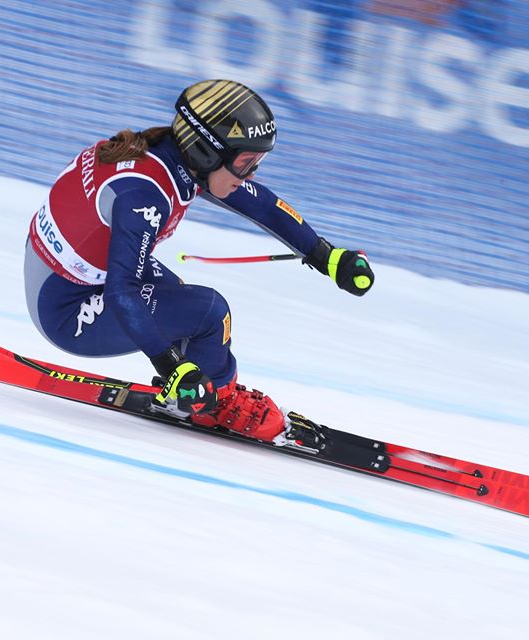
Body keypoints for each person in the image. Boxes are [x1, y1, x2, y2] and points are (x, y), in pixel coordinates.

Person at [24, 79, 374, 450]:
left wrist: (326, 255)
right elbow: (122, 290)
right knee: (209, 312)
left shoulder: (172, 157)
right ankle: (213, 404)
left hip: (66, 276)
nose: (252, 173)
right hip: (66, 310)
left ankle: (203, 384)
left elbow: (259, 203)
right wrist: (172, 366)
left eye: (257, 161)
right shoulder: (145, 196)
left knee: (183, 304)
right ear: (208, 153)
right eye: (245, 162)